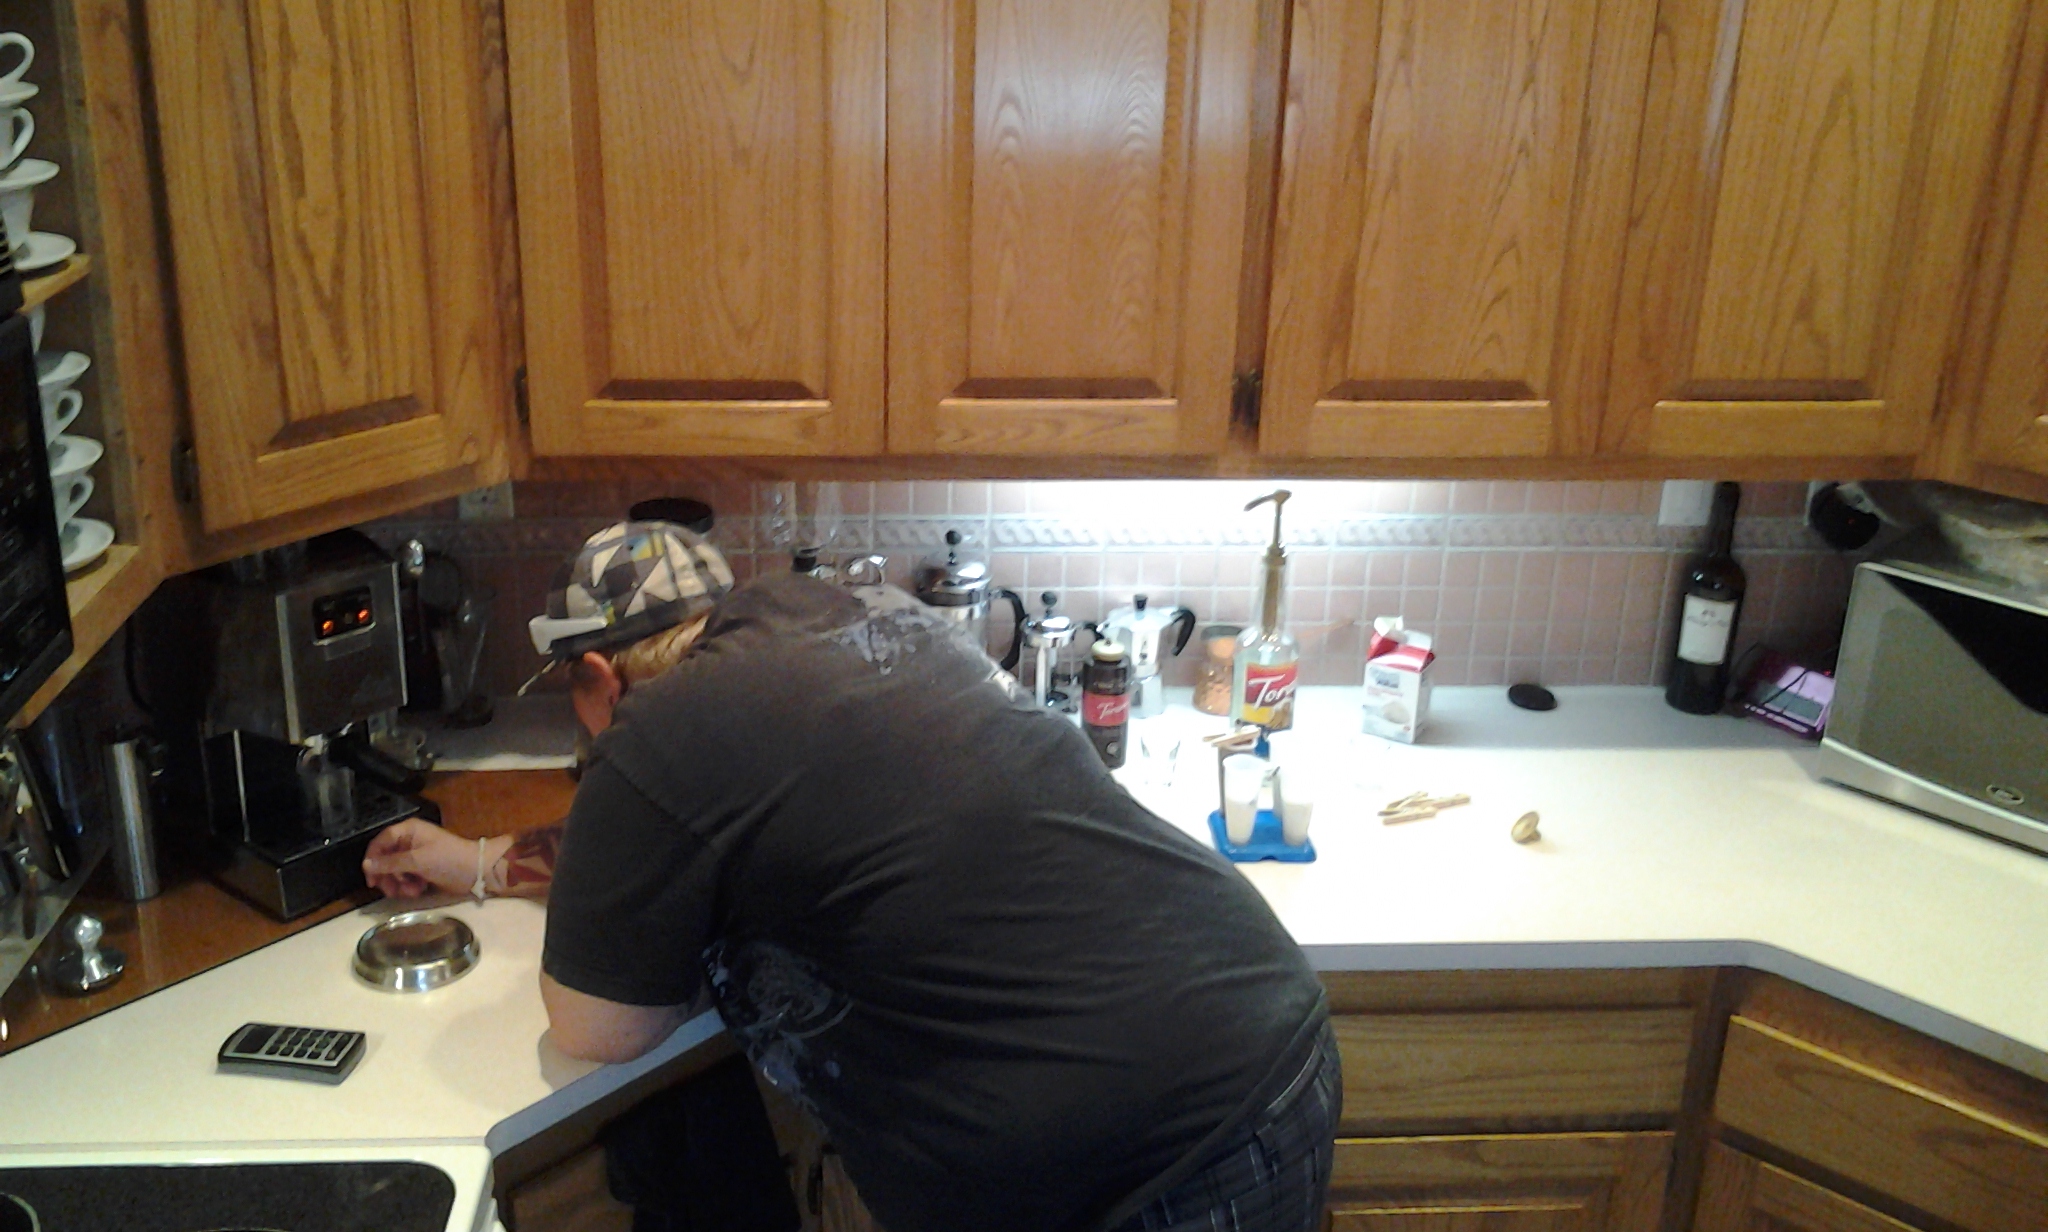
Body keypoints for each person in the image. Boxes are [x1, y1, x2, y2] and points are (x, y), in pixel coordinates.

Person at [365, 521, 1340, 1232]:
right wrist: (481, 863)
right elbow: (698, 824)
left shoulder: (652, 735)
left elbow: (598, 1024)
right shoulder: (856, 621)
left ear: (598, 679)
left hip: (1146, 1162)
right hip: (1256, 1031)